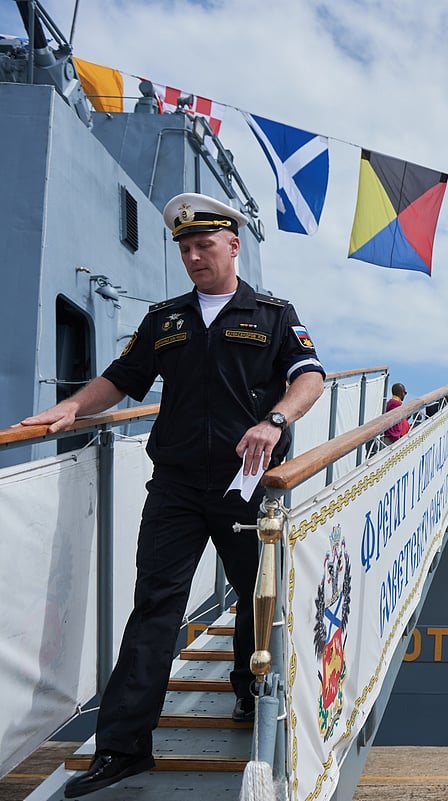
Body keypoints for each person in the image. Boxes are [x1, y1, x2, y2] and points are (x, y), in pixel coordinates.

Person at [17, 193, 326, 798]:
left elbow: (309, 375)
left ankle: (248, 688)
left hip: (249, 484)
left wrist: (277, 421)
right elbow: (121, 379)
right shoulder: (167, 319)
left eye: (203, 245)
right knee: (155, 606)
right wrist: (73, 407)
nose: (192, 257)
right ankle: (123, 749)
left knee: (260, 602)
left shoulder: (272, 314)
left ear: (233, 245)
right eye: (184, 248)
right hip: (178, 487)